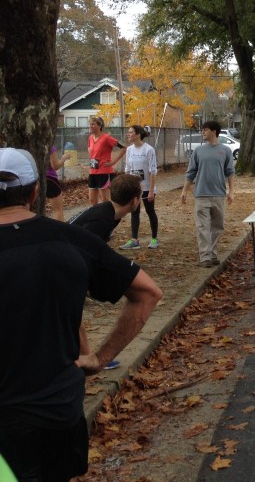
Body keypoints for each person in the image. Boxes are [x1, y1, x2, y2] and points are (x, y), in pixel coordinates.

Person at [0, 147, 162, 482]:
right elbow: (148, 293)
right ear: (35, 192)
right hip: (57, 412)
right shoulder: (72, 241)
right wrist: (100, 358)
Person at [181, 120, 236, 267]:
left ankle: (212, 254)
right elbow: (191, 172)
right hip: (201, 194)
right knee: (202, 226)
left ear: (213, 132)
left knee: (218, 226)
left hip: (219, 194)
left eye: (205, 130)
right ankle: (205, 257)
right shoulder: (198, 151)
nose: (202, 132)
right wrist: (185, 190)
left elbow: (230, 172)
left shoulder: (225, 150)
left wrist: (231, 191)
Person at [70, 173, 143, 243]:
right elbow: (80, 246)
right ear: (134, 201)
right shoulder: (102, 220)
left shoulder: (113, 213)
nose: (140, 200)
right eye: (140, 196)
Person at [121, 124, 159, 249]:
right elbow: (128, 169)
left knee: (150, 211)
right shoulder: (129, 150)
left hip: (147, 188)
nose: (128, 134)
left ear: (138, 134)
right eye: (128, 132)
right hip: (134, 188)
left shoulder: (149, 150)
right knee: (134, 212)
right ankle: (134, 240)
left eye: (131, 132)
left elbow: (152, 171)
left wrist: (151, 190)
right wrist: (127, 186)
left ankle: (154, 239)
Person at [87, 116, 126, 205]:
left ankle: (108, 214)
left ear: (99, 126)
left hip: (104, 171)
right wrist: (93, 157)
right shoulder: (90, 138)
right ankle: (96, 214)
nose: (90, 126)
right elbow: (89, 148)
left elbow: (123, 147)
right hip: (92, 171)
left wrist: (113, 162)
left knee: (105, 200)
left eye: (93, 124)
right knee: (92, 200)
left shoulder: (106, 137)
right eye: (90, 124)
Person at [46, 144, 72, 221]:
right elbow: (55, 166)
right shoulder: (50, 146)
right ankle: (60, 229)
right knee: (58, 210)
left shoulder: (31, 144)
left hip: (35, 179)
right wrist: (63, 158)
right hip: (50, 179)